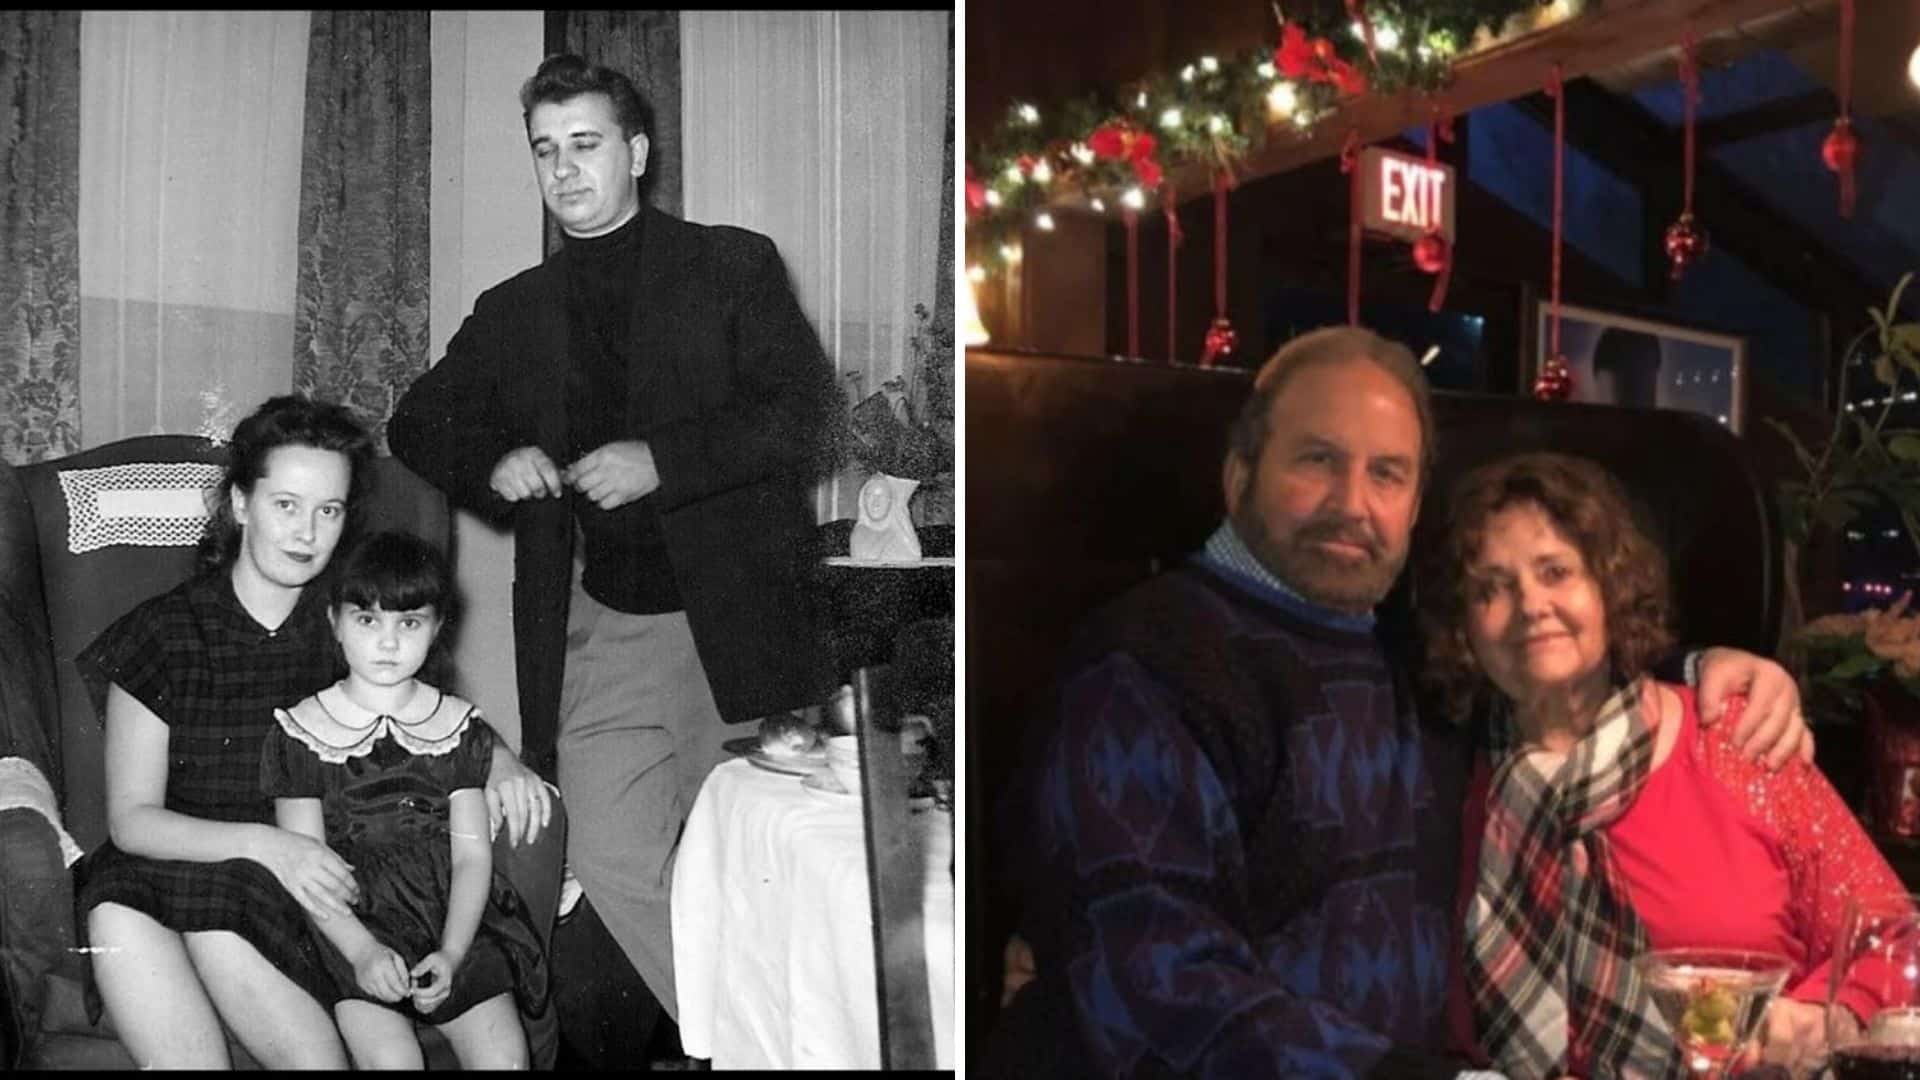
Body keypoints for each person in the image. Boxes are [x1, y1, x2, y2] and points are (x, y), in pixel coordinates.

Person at [984, 326, 1813, 1077]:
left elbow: (1562, 651)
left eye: (1387, 474)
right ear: (1240, 477)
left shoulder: (1411, 650)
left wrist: (1715, 664)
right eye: (1317, 460)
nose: (1354, 504)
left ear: (1415, 506)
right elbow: (1154, 983)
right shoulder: (1146, 665)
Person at [386, 53, 840, 1023]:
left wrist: (662, 459)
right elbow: (417, 421)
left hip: (736, 621)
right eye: (545, 151)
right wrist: (494, 459)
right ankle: (756, 1040)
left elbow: (799, 412)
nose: (564, 170)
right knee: (610, 854)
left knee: (762, 861)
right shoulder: (516, 312)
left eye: (584, 144)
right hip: (603, 628)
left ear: (635, 150)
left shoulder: (731, 265)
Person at [73, 394, 557, 1069]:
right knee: (117, 915)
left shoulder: (348, 625)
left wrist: (498, 759)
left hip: (289, 886)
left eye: (328, 510)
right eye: (286, 505)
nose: (307, 532)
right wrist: (270, 846)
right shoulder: (161, 633)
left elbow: (432, 716)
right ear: (241, 504)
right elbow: (131, 822)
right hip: (176, 859)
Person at [1420, 451, 1905, 1079]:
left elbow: (1893, 938)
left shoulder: (1736, 738)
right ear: (1464, 627)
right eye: (1491, 587)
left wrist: (1819, 1016)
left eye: (1556, 571)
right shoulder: (1438, 771)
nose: (1531, 604)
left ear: (1610, 587)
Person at [262, 530, 547, 1068]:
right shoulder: (300, 732)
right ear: (335, 624)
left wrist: (454, 952)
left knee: (506, 1059)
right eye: (367, 620)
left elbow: (471, 856)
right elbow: (307, 870)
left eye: (409, 623)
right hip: (349, 923)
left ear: (438, 628)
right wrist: (363, 952)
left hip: (451, 916)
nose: (388, 643)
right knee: (395, 1064)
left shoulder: (459, 728)